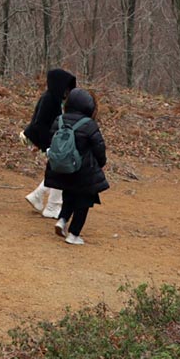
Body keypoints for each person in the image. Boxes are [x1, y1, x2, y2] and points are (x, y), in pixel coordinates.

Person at [45, 89, 109, 246]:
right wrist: (100, 164)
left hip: (64, 170)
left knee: (68, 196)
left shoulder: (59, 120)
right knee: (83, 203)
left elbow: (50, 141)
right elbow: (99, 148)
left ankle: (62, 219)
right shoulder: (89, 125)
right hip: (84, 172)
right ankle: (73, 235)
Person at [22, 69, 77, 218]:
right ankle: (52, 206)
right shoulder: (49, 99)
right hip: (49, 142)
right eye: (66, 87)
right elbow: (39, 124)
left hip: (54, 141)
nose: (68, 91)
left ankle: (38, 196)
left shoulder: (55, 99)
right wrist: (46, 146)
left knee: (58, 171)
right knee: (61, 172)